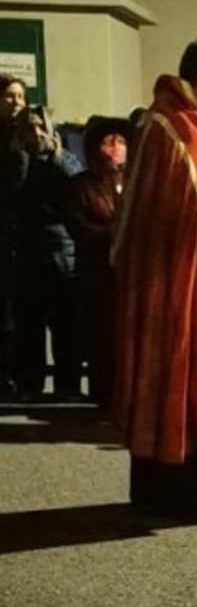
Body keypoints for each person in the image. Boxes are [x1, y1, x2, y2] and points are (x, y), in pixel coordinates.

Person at [112, 38, 197, 520]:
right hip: (175, 285)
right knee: (182, 372)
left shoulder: (196, 130)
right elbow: (159, 214)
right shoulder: (167, 129)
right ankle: (179, 491)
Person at [12, 105, 83, 399]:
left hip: (60, 250)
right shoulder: (15, 162)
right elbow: (12, 192)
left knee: (65, 323)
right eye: (29, 128)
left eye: (41, 126)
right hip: (27, 251)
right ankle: (31, 384)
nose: (36, 133)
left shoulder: (63, 159)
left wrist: (53, 156)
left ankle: (68, 386)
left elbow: (77, 184)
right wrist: (21, 158)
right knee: (30, 324)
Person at [67, 116, 130, 408]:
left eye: (120, 141)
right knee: (100, 337)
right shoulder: (81, 185)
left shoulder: (133, 183)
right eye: (109, 142)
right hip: (96, 274)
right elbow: (78, 227)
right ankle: (102, 395)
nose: (115, 148)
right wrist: (113, 236)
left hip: (127, 275)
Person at [0, 75, 28, 394]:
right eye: (9, 96)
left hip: (22, 237)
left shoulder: (32, 133)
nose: (16, 103)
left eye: (21, 97)